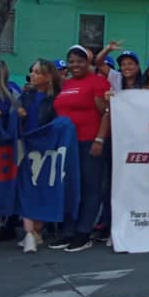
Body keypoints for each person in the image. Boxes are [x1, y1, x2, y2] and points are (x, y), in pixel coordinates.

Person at [48, 45, 111, 252]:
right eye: (71, 61)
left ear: (88, 62)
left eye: (79, 61)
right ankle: (68, 232)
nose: (75, 65)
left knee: (89, 187)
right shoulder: (66, 84)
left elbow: (106, 112)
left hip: (89, 142)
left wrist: (99, 140)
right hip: (67, 144)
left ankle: (84, 233)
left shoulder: (99, 82)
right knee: (69, 188)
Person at [16, 60, 61, 253]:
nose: (32, 76)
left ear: (48, 77)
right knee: (26, 188)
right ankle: (29, 233)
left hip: (46, 149)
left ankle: (38, 230)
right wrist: (18, 115)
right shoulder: (26, 95)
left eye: (37, 72)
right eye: (31, 71)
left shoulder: (56, 98)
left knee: (42, 188)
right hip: (26, 145)